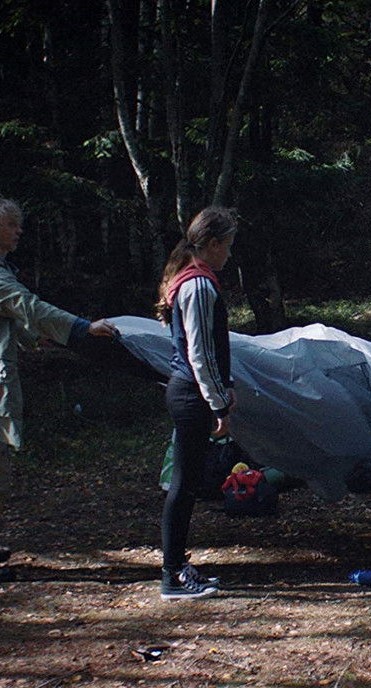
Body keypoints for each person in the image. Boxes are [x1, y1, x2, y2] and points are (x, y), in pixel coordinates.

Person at [0, 193, 117, 584]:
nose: (19, 231)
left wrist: (37, 337)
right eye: (11, 224)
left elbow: (16, 319)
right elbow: (28, 306)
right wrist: (81, 328)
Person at [154, 206, 239, 600]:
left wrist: (226, 387)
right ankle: (171, 576)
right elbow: (200, 353)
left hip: (189, 391)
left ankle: (177, 566)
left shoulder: (190, 277)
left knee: (186, 484)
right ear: (215, 243)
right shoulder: (200, 285)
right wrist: (218, 402)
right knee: (184, 485)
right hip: (191, 393)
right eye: (229, 244)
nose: (230, 254)